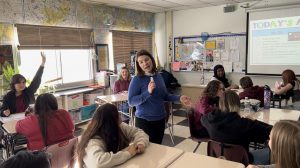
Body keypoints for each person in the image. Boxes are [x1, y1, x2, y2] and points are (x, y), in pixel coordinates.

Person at [128, 49, 191, 144]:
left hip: (160, 120)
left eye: (146, 60)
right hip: (144, 122)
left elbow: (165, 96)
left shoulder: (158, 76)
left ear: (152, 60)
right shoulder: (137, 79)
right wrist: (148, 92)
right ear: (138, 65)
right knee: (146, 153)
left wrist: (179, 98)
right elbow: (131, 101)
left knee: (157, 149)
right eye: (141, 62)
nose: (145, 63)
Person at [201, 90, 272, 164]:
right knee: (274, 151)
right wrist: (254, 121)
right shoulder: (245, 124)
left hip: (220, 160)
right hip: (243, 161)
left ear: (220, 103)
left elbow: (203, 118)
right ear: (237, 104)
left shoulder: (209, 119)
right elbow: (272, 132)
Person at [76, 103, 149, 168]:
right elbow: (98, 162)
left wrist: (140, 143)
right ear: (111, 122)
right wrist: (128, 153)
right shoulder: (93, 140)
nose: (121, 118)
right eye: (117, 115)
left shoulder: (119, 126)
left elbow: (139, 133)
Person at [0, 52, 46, 117]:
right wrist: (4, 112)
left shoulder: (29, 91)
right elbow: (2, 110)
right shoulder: (8, 96)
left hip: (29, 119)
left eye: (23, 82)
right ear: (13, 84)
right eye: (19, 83)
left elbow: (37, 79)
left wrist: (42, 63)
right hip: (15, 120)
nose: (22, 85)